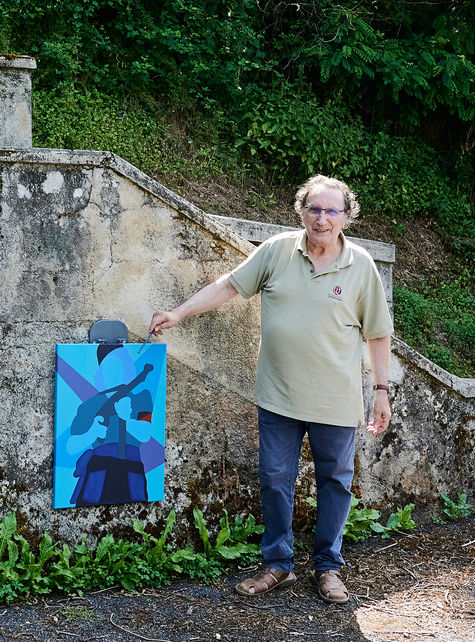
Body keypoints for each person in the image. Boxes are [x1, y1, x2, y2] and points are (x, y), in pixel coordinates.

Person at [148, 175, 393, 604]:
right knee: (274, 480)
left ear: (346, 217)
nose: (321, 218)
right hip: (279, 396)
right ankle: (278, 565)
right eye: (314, 209)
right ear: (302, 211)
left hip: (335, 401)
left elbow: (377, 334)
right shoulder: (278, 250)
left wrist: (381, 390)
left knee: (335, 483)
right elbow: (228, 285)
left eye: (331, 210)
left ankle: (329, 568)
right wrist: (179, 313)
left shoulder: (361, 266)